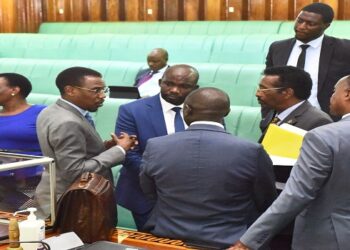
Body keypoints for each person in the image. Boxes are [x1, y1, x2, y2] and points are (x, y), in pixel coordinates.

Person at [139, 87, 277, 248]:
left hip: (167, 239)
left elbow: (149, 191)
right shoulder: (251, 151)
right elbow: (265, 199)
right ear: (227, 112)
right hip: (230, 242)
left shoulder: (156, 145)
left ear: (187, 109)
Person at [228, 75, 350, 250]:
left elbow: (297, 194)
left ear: (347, 93)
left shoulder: (323, 136)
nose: (331, 96)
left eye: (334, 91)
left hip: (330, 238)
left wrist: (247, 242)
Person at [35, 66, 137, 217]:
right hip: (74, 203)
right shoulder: (68, 122)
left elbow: (70, 153)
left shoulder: (51, 110)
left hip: (58, 194)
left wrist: (106, 147)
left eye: (104, 90)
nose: (102, 96)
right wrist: (119, 150)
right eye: (96, 90)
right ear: (70, 90)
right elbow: (75, 171)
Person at [115, 64, 199, 230]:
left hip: (192, 197)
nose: (174, 90)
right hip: (146, 196)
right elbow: (129, 155)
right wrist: (167, 180)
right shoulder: (132, 110)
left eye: (183, 86)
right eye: (169, 84)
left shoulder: (204, 110)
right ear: (160, 82)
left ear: (195, 88)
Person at [265, 2, 350, 119]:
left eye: (310, 24)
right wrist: (266, 117)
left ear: (326, 25)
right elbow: (268, 85)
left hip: (326, 121)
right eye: (299, 21)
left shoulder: (344, 49)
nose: (301, 26)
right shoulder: (277, 48)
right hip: (281, 119)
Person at [0, 73, 46, 211]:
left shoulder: (41, 112)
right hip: (2, 181)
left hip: (31, 182)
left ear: (14, 90)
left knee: (25, 221)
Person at [258, 66, 332, 142]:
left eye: (264, 89)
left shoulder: (318, 121)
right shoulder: (273, 113)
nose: (258, 93)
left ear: (287, 93)